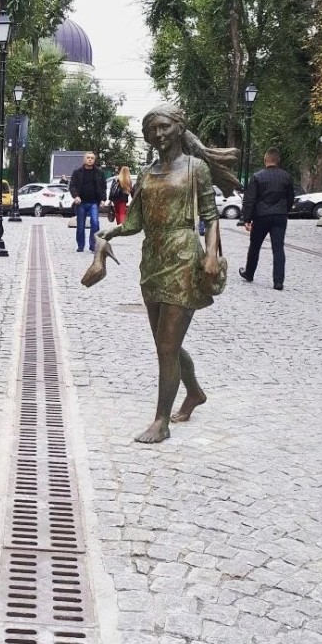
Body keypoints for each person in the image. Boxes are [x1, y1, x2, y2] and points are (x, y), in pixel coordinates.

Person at [82, 103, 240, 444]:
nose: (159, 134)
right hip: (152, 261)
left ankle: (161, 421)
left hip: (184, 257)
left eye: (165, 126)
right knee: (165, 343)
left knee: (167, 346)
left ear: (179, 128)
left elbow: (211, 216)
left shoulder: (196, 168)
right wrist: (108, 234)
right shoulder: (147, 173)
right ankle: (194, 392)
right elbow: (135, 223)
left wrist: (210, 254)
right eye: (153, 129)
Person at [239, 147, 294, 290]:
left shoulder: (257, 177)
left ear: (265, 160)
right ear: (278, 160)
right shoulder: (286, 177)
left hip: (261, 216)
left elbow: (250, 199)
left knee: (255, 246)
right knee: (278, 248)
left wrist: (247, 219)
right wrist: (284, 211)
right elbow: (290, 198)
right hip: (280, 217)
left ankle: (249, 273)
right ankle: (278, 281)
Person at [69, 152, 106, 252]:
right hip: (81, 203)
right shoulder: (77, 172)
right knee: (80, 225)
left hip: (94, 202)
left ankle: (93, 245)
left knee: (95, 223)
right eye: (88, 158)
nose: (90, 159)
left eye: (92, 158)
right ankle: (81, 245)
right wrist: (76, 196)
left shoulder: (99, 173)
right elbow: (72, 186)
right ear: (84, 159)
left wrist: (103, 199)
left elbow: (103, 187)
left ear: (94, 160)